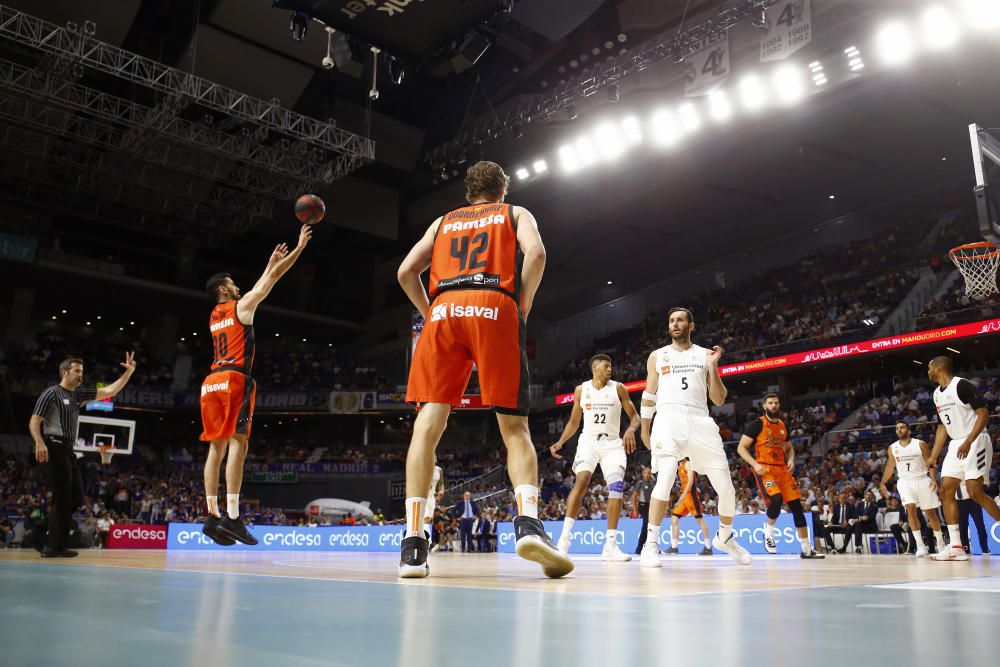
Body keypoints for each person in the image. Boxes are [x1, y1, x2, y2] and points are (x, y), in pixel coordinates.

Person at [396, 161, 571, 579]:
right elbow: (538, 253)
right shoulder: (515, 213)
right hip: (494, 306)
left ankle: (414, 543)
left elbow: (405, 272)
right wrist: (521, 303)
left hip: (444, 311)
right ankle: (529, 523)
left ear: (469, 191)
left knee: (427, 426)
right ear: (503, 190)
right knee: (514, 429)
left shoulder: (442, 222)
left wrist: (432, 312)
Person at [199, 224, 313, 547]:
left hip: (210, 383)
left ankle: (211, 514)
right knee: (239, 445)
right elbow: (270, 283)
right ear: (223, 288)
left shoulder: (213, 315)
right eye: (232, 283)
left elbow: (264, 279)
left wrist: (269, 263)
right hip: (235, 379)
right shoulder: (241, 307)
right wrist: (298, 250)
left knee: (215, 448)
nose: (236, 286)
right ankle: (233, 517)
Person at [638, 307, 751, 567]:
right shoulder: (658, 356)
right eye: (671, 321)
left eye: (680, 320)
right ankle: (651, 544)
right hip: (667, 419)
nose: (675, 324)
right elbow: (649, 394)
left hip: (700, 419)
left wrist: (714, 367)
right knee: (665, 478)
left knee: (726, 489)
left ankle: (725, 537)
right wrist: (645, 427)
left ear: (691, 325)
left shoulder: (705, 355)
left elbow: (719, 399)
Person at [27, 354, 136, 557]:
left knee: (76, 498)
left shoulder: (78, 395)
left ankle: (38, 533)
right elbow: (34, 421)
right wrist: (39, 442)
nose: (80, 375)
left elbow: (110, 390)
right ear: (65, 372)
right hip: (53, 445)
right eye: (77, 371)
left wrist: (128, 373)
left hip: (69, 449)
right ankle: (53, 546)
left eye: (82, 372)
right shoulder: (50, 393)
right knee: (62, 498)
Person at [550, 353, 639, 562]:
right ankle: (564, 541)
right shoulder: (582, 390)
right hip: (589, 441)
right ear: (595, 368)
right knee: (581, 481)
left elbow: (634, 416)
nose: (610, 370)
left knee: (616, 488)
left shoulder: (618, 388)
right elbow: (573, 422)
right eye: (606, 366)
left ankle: (610, 545)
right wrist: (561, 442)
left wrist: (631, 430)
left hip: (613, 443)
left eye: (611, 366)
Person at [926, 356, 1000, 560]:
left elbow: (984, 414)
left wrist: (969, 441)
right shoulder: (936, 395)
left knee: (975, 492)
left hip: (975, 439)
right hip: (956, 443)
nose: (928, 372)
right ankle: (957, 547)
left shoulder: (962, 385)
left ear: (939, 368)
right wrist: (933, 456)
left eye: (929, 368)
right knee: (946, 490)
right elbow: (942, 427)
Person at [736, 394, 823, 558]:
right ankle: (768, 533)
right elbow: (741, 448)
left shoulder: (783, 425)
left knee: (797, 507)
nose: (774, 405)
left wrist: (791, 459)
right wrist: (755, 464)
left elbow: (789, 447)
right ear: (764, 406)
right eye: (770, 403)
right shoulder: (757, 424)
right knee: (776, 499)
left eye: (776, 403)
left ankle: (806, 549)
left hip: (783, 470)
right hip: (765, 469)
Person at [878, 421, 945, 557]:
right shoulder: (893, 448)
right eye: (897, 428)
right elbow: (890, 466)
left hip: (922, 479)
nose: (899, 430)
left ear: (909, 431)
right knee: (910, 509)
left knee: (930, 513)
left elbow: (930, 463)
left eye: (902, 427)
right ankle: (920, 546)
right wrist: (883, 483)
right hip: (905, 482)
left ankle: (940, 543)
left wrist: (933, 479)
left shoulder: (920, 444)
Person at [667, 458, 713, 555]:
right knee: (674, 518)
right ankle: (674, 547)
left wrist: (682, 496)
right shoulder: (679, 466)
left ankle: (708, 548)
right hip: (684, 496)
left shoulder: (688, 464)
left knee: (700, 520)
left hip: (691, 496)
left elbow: (691, 481)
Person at [957, 480, 992, 555]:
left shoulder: (968, 472)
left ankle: (985, 548)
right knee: (962, 527)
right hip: (959, 503)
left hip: (974, 501)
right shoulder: (952, 477)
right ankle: (965, 549)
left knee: (980, 525)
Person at [631, 467, 655, 554]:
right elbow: (634, 496)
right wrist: (635, 509)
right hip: (642, 506)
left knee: (650, 527)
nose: (647, 475)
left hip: (651, 507)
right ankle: (639, 548)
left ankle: (648, 546)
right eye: (645, 473)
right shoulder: (640, 483)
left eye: (649, 473)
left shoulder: (653, 484)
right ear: (642, 474)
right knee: (646, 525)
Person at [424, 463, 445, 551]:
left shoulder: (439, 470)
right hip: (423, 496)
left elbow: (441, 484)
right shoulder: (423, 466)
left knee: (429, 520)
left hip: (432, 496)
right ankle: (427, 542)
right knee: (426, 518)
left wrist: (441, 491)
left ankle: (427, 541)